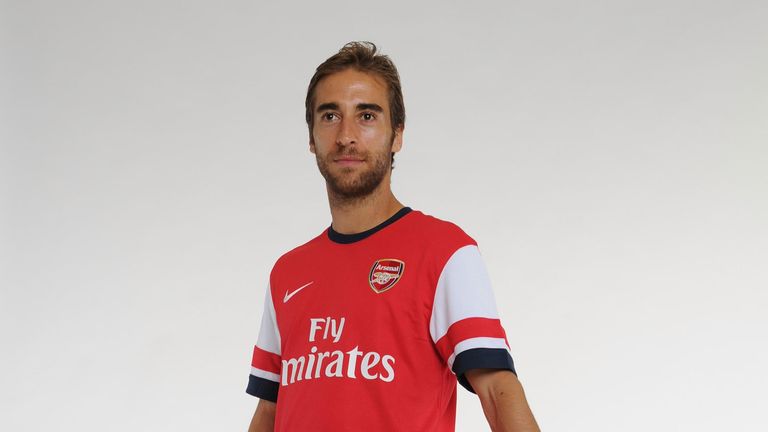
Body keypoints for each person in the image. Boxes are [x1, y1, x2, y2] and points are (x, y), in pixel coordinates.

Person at [246, 41, 540, 432]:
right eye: (330, 115)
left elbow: (497, 390)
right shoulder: (287, 272)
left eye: (366, 115)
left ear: (396, 135)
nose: (346, 135)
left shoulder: (444, 251)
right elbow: (270, 410)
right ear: (312, 137)